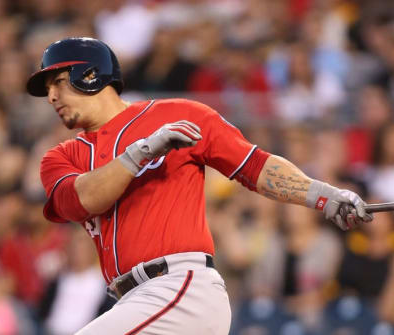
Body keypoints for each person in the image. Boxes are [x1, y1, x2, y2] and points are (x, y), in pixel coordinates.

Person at [26, 37, 373, 335]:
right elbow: (81, 200)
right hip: (132, 301)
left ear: (89, 76)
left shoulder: (179, 113)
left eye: (58, 82)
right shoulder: (60, 157)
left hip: (179, 289)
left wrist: (323, 195)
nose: (51, 96)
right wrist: (142, 152)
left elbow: (253, 166)